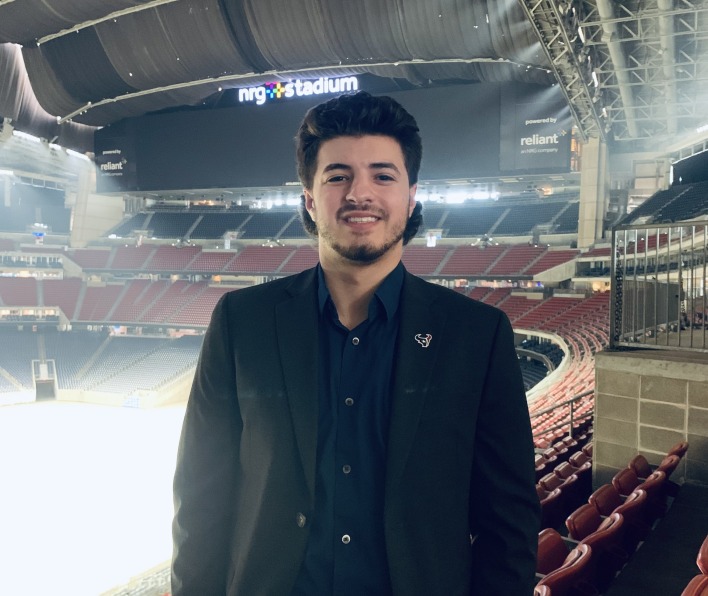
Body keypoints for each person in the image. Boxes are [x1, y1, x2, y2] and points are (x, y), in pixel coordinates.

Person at [172, 91, 540, 595]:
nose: (359, 193)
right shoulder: (242, 322)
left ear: (411, 196)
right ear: (308, 198)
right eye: (337, 175)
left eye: (383, 176)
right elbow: (200, 495)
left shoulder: (478, 335)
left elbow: (508, 521)